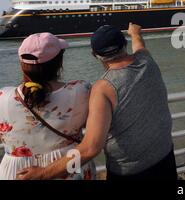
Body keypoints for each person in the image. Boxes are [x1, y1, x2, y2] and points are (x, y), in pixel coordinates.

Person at [17, 23, 176, 180]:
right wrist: (134, 33)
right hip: (165, 158)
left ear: (95, 55)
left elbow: (90, 148)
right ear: (124, 45)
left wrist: (43, 173)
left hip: (131, 171)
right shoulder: (147, 61)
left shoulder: (103, 88)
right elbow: (139, 46)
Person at [0, 33, 95, 180]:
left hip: (18, 172)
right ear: (60, 63)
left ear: (22, 65)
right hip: (67, 167)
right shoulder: (81, 90)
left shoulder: (3, 97)